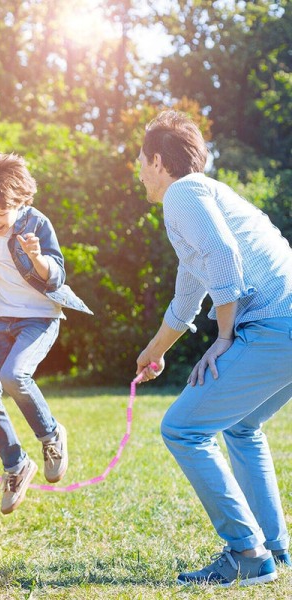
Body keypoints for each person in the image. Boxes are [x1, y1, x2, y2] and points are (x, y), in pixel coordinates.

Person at [135, 110, 292, 586]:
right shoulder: (206, 196)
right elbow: (189, 292)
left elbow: (223, 258)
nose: (139, 171)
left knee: (182, 428)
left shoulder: (183, 193)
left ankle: (247, 553)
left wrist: (224, 339)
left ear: (159, 161)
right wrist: (156, 349)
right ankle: (275, 547)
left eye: (140, 161)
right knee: (243, 427)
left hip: (276, 324)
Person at [0, 152, 92, 515]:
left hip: (38, 318)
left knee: (14, 376)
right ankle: (16, 464)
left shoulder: (37, 223)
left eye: (0, 215)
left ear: (21, 201)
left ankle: (51, 435)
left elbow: (55, 276)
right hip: (0, 320)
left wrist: (36, 256)